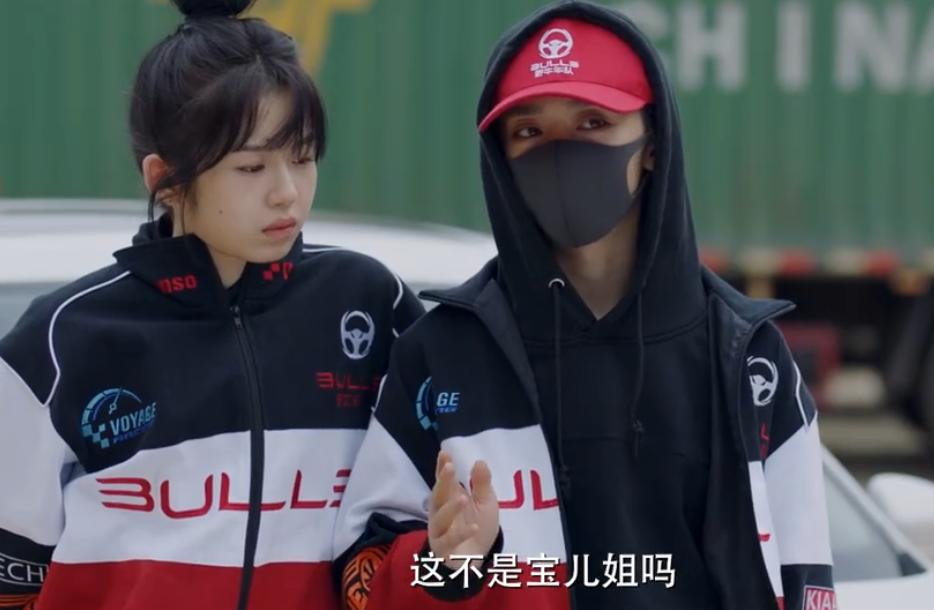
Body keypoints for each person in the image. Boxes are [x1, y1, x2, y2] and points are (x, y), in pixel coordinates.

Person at [333, 2, 834, 609]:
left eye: (594, 122)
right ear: (500, 157)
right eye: (529, 132)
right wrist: (445, 568)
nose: (561, 153)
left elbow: (805, 578)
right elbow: (360, 572)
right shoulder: (442, 354)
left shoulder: (746, 358)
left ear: (653, 142)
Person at [0, 1, 422, 609]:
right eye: (251, 166)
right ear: (165, 180)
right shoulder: (63, 341)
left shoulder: (370, 303)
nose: (287, 192)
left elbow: (421, 522)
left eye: (302, 158)